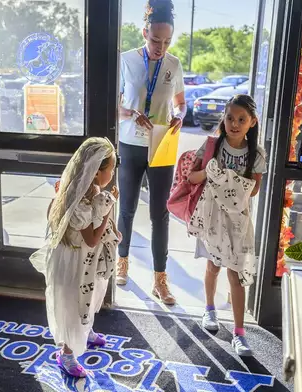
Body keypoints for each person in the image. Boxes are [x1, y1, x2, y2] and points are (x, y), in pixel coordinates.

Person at [30, 137, 120, 377]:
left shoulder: (92, 191)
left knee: (89, 296)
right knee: (74, 304)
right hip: (75, 262)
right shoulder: (79, 200)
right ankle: (67, 353)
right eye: (111, 168)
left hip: (88, 260)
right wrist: (109, 206)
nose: (113, 172)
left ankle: (86, 329)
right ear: (96, 172)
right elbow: (91, 238)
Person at [116, 0, 186, 305]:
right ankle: (122, 263)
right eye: (156, 40)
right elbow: (111, 107)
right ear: (145, 32)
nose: (161, 46)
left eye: (167, 41)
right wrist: (131, 113)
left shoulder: (174, 65)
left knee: (160, 214)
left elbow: (181, 104)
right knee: (127, 208)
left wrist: (179, 116)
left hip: (161, 146)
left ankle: (160, 280)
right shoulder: (125, 60)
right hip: (130, 144)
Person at [188, 95, 267, 356]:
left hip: (238, 220)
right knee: (214, 265)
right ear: (224, 119)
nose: (234, 124)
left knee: (235, 274)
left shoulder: (256, 153)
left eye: (241, 119)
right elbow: (192, 177)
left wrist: (230, 181)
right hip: (212, 217)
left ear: (252, 122)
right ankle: (209, 309)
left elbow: (254, 191)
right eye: (230, 118)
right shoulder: (212, 145)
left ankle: (239, 332)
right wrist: (211, 172)